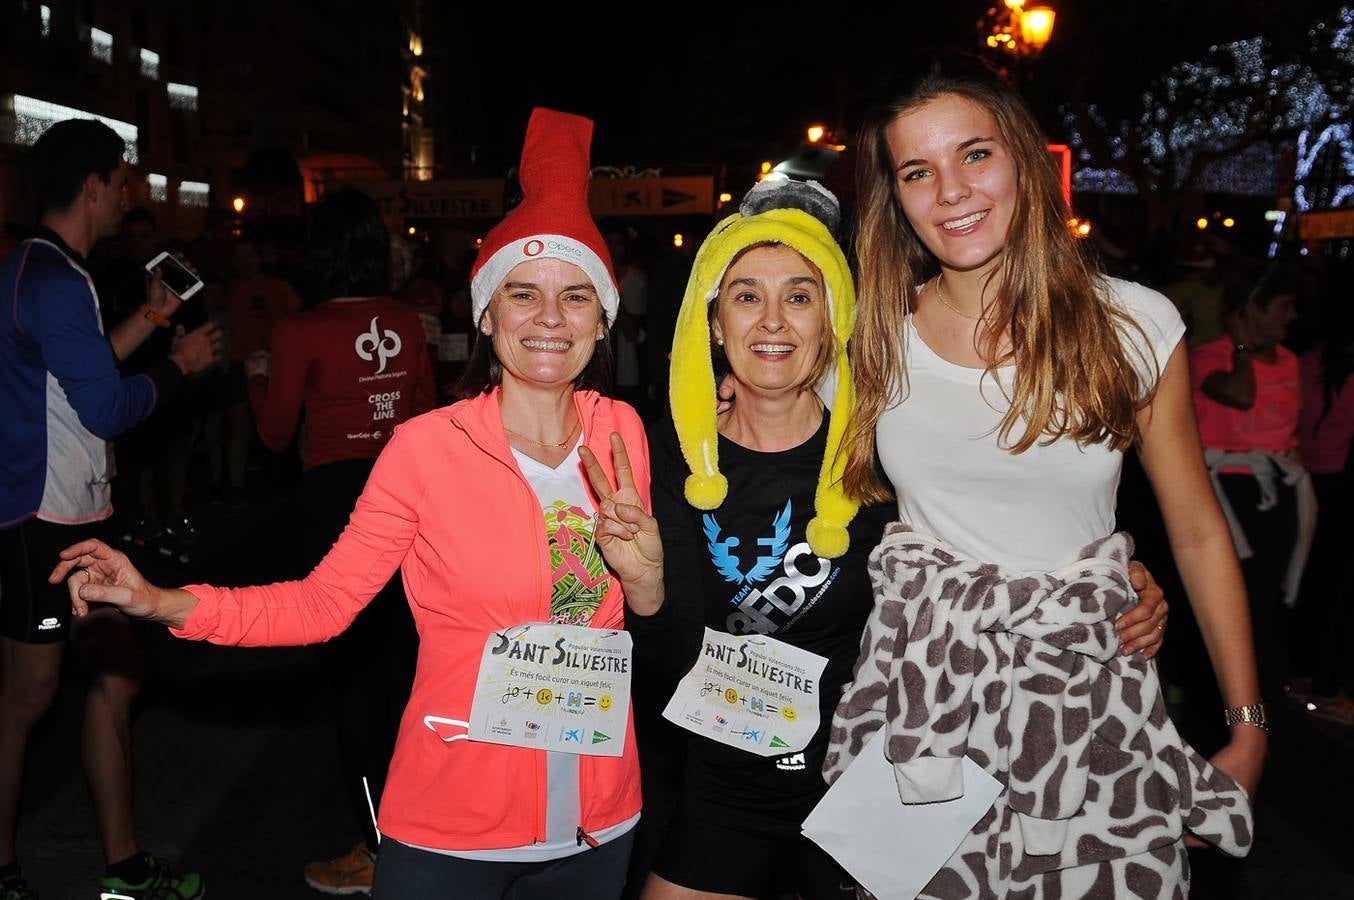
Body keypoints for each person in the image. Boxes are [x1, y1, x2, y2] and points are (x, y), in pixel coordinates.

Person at [49, 107, 654, 900]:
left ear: (602, 317)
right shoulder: (427, 449)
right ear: (486, 311)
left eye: (575, 296)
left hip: (599, 820)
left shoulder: (622, 432)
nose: (549, 317)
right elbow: (323, 604)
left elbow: (641, 605)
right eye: (523, 293)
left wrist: (647, 580)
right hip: (453, 826)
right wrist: (161, 601)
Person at [615, 176, 1167, 900]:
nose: (773, 321)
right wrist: (648, 594)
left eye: (800, 296)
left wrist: (1108, 581)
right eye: (747, 296)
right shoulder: (673, 458)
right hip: (728, 787)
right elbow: (669, 664)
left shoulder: (888, 451)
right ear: (715, 325)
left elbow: (992, 548)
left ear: (833, 319)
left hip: (875, 782)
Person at [825, 53, 1264, 896]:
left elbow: (1198, 525)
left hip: (1090, 696)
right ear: (897, 197)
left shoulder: (1134, 322)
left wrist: (1247, 725)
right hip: (926, 697)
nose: (950, 191)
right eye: (919, 171)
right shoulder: (871, 336)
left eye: (975, 154)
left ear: (1025, 157)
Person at [0, 119, 220, 900]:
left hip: (74, 516)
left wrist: (156, 316)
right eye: (121, 180)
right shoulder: (56, 278)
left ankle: (123, 867)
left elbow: (80, 371)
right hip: (44, 520)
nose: (126, 192)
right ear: (92, 185)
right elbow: (103, 408)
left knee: (114, 680)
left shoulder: (48, 269)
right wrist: (182, 367)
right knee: (28, 698)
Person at [243, 187, 436, 895]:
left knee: (351, 677)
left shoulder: (298, 331)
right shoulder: (407, 323)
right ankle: (426, 829)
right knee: (410, 667)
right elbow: (423, 416)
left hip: (333, 508)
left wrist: (257, 381)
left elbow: (272, 433)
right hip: (405, 496)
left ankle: (380, 850)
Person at [1190, 261, 1310, 703]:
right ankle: (1224, 694)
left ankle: (1264, 688)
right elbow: (1240, 397)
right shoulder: (1208, 357)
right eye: (1282, 306)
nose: (1291, 316)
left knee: (1270, 590)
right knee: (1235, 592)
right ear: (1250, 310)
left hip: (1276, 486)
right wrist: (1240, 345)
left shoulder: (1292, 361)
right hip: (1229, 490)